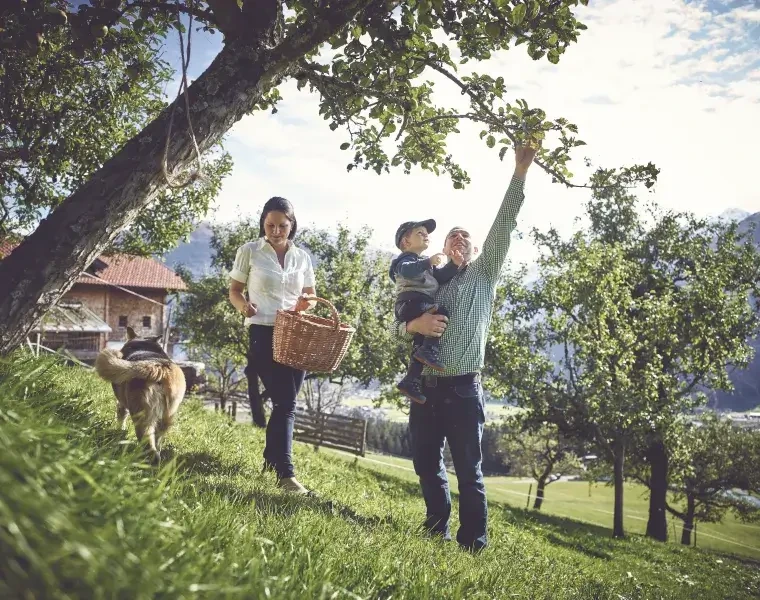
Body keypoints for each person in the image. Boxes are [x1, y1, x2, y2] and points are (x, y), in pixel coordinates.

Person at [390, 145, 538, 551]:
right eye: (451, 235)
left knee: (469, 473)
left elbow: (504, 226)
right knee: (424, 464)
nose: (458, 238)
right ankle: (435, 524)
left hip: (462, 389)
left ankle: (473, 543)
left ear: (475, 251)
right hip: (424, 389)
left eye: (465, 236)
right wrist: (412, 324)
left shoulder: (484, 274)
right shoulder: (429, 280)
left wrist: (520, 172)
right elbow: (396, 320)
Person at [228, 196, 316, 495]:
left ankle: (270, 460)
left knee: (284, 403)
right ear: (263, 224)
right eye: (270, 225)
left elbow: (310, 295)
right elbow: (235, 291)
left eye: (282, 225)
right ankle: (286, 474)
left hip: (295, 334)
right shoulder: (250, 251)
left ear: (292, 226)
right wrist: (243, 307)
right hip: (263, 332)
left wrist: (303, 306)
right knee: (287, 403)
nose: (276, 231)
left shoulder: (302, 257)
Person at [389, 219, 458, 404]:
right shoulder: (404, 260)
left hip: (418, 305)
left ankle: (411, 379)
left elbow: (441, 276)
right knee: (441, 312)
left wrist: (454, 264)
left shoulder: (425, 264)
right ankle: (429, 349)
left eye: (426, 233)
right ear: (406, 242)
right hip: (411, 302)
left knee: (421, 338)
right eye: (420, 233)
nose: (426, 235)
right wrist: (428, 261)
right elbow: (408, 272)